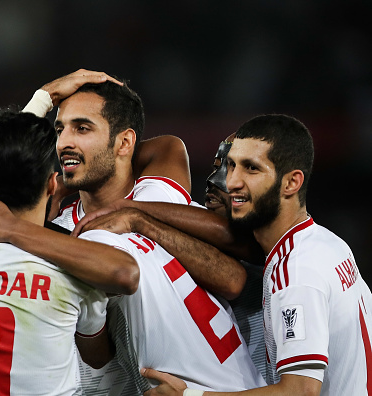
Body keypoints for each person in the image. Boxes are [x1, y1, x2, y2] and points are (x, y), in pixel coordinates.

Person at [0, 79, 265, 394]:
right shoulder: (55, 237)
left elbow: (168, 145)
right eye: (60, 130)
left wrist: (126, 210)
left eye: (82, 129)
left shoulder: (157, 197)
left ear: (124, 144)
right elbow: (96, 354)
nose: (64, 142)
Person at [140, 114, 372, 396]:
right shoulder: (326, 243)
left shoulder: (297, 272)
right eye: (232, 166)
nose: (233, 182)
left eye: (251, 169)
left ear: (291, 183)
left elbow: (300, 391)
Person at [0, 108, 140, 395]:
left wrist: (42, 98)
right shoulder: (78, 274)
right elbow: (97, 356)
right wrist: (13, 229)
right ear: (53, 184)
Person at [75, 134, 267, 378]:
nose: (212, 181)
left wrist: (133, 211)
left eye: (237, 168)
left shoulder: (292, 258)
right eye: (220, 168)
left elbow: (240, 254)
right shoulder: (180, 221)